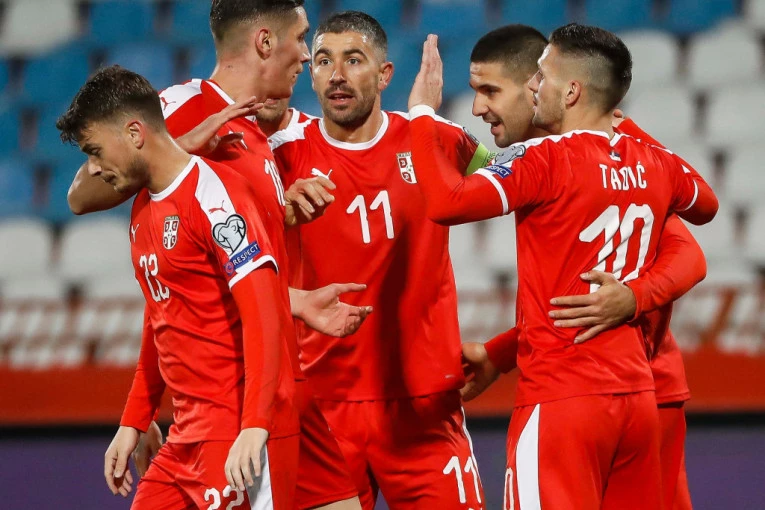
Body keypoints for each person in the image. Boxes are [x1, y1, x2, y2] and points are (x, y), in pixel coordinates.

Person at [408, 24, 718, 510]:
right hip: (634, 391)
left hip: (605, 391)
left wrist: (421, 114)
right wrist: (501, 354)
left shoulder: (543, 158)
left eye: (491, 90)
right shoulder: (643, 161)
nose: (477, 108)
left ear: (558, 88)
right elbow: (703, 204)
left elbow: (691, 257)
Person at [66, 2, 363, 509]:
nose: (306, 54)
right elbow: (83, 194)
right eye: (301, 37)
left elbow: (225, 265)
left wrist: (286, 247)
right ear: (265, 41)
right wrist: (184, 144)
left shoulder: (260, 134)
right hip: (235, 397)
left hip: (272, 380)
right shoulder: (186, 106)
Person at [268, 11, 494, 509]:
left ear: (385, 73)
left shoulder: (433, 137)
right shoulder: (278, 155)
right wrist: (276, 210)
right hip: (322, 410)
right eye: (323, 61)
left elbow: (516, 174)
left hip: (424, 407)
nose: (337, 75)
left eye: (353, 60)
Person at [58, 65, 300, 509]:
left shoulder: (216, 197)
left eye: (94, 151)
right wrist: (134, 420)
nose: (93, 168)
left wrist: (254, 426)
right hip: (185, 435)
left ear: (134, 133)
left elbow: (265, 317)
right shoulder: (142, 210)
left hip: (239, 434)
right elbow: (161, 318)